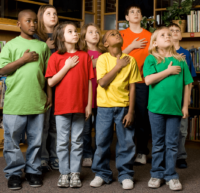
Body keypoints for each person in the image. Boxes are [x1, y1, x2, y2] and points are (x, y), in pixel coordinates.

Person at [0, 9, 52, 190]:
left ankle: (33, 171)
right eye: (28, 21)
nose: (32, 25)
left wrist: (49, 95)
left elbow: (47, 75)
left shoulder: (43, 46)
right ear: (19, 24)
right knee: (12, 141)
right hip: (15, 102)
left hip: (37, 100)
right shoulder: (10, 45)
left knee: (36, 140)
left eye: (34, 22)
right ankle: (14, 173)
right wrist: (23, 59)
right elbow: (3, 70)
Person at [90, 30, 142, 190]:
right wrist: (118, 66)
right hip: (105, 107)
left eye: (118, 33)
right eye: (112, 34)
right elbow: (103, 82)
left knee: (126, 142)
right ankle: (102, 173)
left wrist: (131, 111)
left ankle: (125, 174)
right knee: (102, 141)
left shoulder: (131, 60)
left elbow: (133, 87)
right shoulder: (103, 59)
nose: (117, 34)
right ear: (106, 43)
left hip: (124, 106)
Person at [45, 21, 94, 188]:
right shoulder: (55, 57)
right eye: (70, 31)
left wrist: (88, 105)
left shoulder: (85, 56)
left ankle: (75, 173)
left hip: (80, 106)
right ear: (61, 36)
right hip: (62, 107)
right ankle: (64, 173)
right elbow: (51, 82)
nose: (75, 34)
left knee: (78, 141)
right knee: (62, 142)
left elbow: (89, 82)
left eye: (76, 31)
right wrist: (66, 67)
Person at [143, 27, 193, 191]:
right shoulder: (151, 59)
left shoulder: (181, 59)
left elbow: (187, 84)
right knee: (158, 144)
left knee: (172, 144)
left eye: (169, 35)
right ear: (155, 43)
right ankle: (156, 174)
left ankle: (171, 175)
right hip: (156, 109)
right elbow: (149, 80)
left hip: (175, 109)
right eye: (163, 35)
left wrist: (185, 106)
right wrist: (168, 71)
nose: (167, 36)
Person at [120, 4, 152, 165]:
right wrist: (131, 47)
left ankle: (141, 151)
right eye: (132, 12)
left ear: (142, 16)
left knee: (141, 117)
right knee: (124, 116)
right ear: (126, 17)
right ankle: (127, 151)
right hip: (122, 82)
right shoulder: (121, 34)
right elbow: (115, 56)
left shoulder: (149, 35)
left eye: (138, 11)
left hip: (142, 81)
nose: (136, 13)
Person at [34, 4, 59, 172]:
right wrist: (47, 48)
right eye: (48, 13)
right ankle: (42, 157)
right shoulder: (36, 37)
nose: (53, 16)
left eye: (55, 13)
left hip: (60, 85)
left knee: (56, 124)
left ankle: (55, 156)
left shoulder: (61, 36)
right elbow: (37, 62)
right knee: (42, 124)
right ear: (41, 17)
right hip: (43, 86)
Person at [168, 23, 197, 169]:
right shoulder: (162, 52)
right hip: (168, 96)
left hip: (181, 96)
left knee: (182, 129)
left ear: (180, 35)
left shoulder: (186, 53)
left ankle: (181, 156)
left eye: (176, 30)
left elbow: (189, 78)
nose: (173, 33)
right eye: (171, 30)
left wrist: (188, 97)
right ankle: (166, 156)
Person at [79, 23, 106, 167]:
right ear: (84, 36)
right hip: (87, 96)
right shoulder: (82, 53)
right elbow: (84, 68)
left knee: (101, 129)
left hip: (102, 95)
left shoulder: (103, 52)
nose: (95, 34)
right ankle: (87, 154)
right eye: (90, 32)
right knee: (86, 128)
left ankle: (99, 153)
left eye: (97, 31)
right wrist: (98, 62)